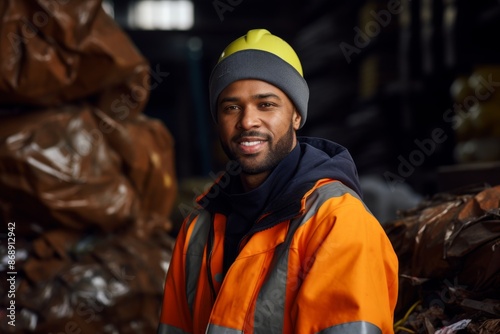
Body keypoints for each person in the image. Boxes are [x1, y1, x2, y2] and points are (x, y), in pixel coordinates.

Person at [157, 29, 399, 334]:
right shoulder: (197, 230)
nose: (247, 121)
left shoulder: (336, 222)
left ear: (296, 115)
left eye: (266, 105)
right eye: (231, 107)